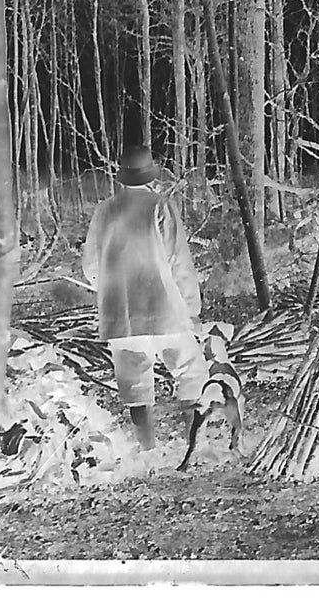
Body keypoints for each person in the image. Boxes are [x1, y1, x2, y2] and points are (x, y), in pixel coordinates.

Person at [82, 145, 207, 451]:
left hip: (122, 315)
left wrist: (111, 292)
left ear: (121, 176)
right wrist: (192, 308)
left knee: (135, 384)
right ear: (152, 175)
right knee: (190, 373)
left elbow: (90, 267)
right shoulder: (160, 206)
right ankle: (193, 445)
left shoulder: (105, 210)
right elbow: (179, 261)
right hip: (167, 310)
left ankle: (148, 449)